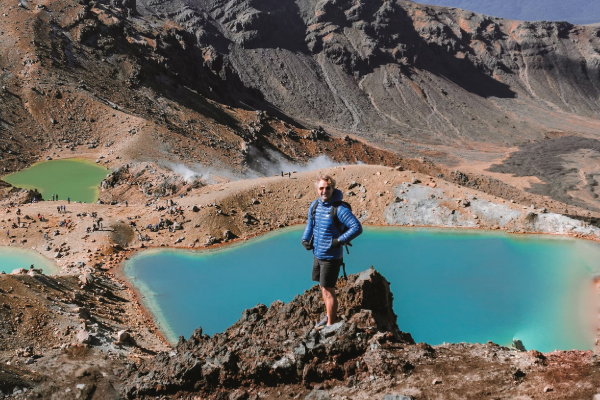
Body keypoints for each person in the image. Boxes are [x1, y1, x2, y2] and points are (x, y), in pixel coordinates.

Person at [302, 174, 362, 329]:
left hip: (331, 257)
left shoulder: (339, 209)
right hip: (318, 254)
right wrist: (305, 239)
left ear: (333, 189)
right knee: (323, 287)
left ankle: (330, 325)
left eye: (327, 188)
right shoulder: (314, 205)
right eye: (321, 188)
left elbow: (357, 227)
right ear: (317, 189)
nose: (324, 191)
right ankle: (329, 316)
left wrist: (339, 241)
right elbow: (310, 225)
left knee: (329, 290)